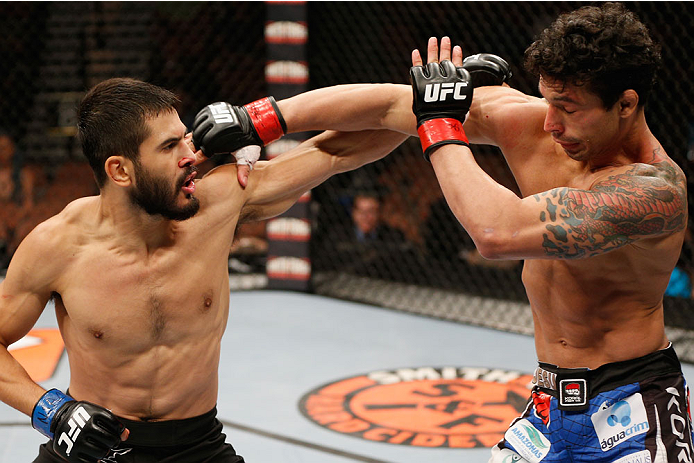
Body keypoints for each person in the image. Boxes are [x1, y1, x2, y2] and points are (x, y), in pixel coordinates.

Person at [193, 3, 693, 461]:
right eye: (547, 100)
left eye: (569, 107)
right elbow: (389, 105)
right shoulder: (536, 125)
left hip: (634, 406)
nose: (552, 122)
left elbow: (497, 232)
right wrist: (261, 119)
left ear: (626, 104)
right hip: (548, 401)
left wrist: (439, 122)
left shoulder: (654, 192)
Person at [0, 77, 407, 462]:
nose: (191, 155)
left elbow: (347, 145)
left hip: (196, 447)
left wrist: (262, 120)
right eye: (170, 147)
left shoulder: (220, 202)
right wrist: (49, 411)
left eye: (187, 139)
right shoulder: (56, 246)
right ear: (119, 171)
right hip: (91, 446)